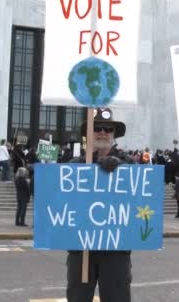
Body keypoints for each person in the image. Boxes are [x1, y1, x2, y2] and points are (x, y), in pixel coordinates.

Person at [67, 107, 134, 302]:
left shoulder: (128, 164)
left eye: (108, 128)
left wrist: (122, 170)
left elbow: (140, 196)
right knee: (77, 297)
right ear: (89, 132)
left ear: (114, 135)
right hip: (82, 249)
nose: (103, 132)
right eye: (97, 127)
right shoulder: (75, 165)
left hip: (116, 250)